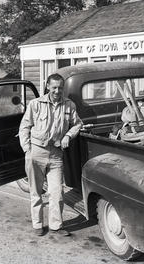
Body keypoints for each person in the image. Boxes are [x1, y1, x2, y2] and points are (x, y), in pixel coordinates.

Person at [19, 73, 83, 236]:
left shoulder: (69, 105)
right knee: (36, 192)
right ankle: (38, 224)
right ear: (47, 86)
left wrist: (68, 135)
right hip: (36, 152)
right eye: (54, 87)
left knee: (57, 193)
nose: (57, 91)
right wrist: (27, 150)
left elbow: (78, 124)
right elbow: (24, 128)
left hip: (56, 155)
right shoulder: (35, 104)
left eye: (60, 88)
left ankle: (56, 226)